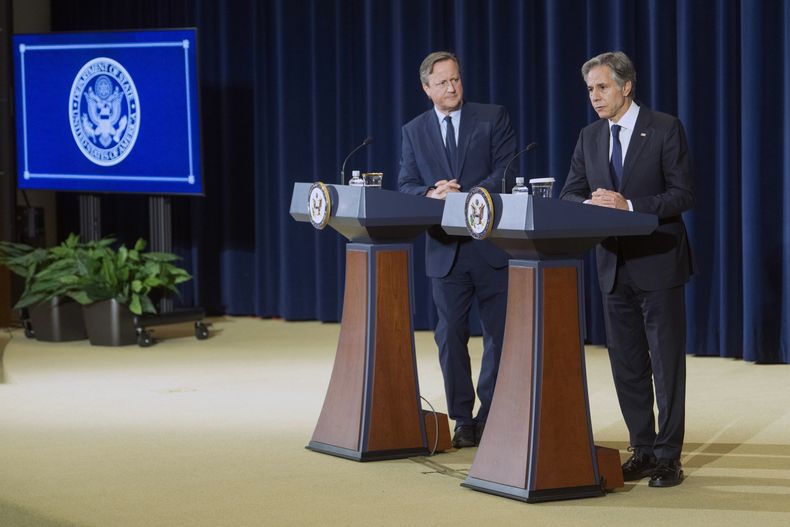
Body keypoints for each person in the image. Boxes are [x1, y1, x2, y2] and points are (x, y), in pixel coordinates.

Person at [560, 51, 694, 487]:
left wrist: (630, 206)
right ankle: (644, 447)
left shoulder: (664, 127)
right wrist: (589, 205)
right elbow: (569, 195)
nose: (594, 97)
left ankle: (669, 457)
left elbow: (681, 195)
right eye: (589, 90)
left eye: (601, 87)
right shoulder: (589, 137)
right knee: (628, 364)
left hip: (658, 263)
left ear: (626, 86)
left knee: (666, 365)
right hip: (612, 268)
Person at [398, 51, 515, 448]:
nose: (452, 88)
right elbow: (406, 184)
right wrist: (431, 193)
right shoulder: (414, 130)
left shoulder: (492, 116)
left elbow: (506, 170)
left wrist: (469, 196)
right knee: (449, 337)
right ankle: (463, 418)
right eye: (443, 82)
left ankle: (492, 411)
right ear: (426, 89)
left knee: (499, 336)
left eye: (456, 79)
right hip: (445, 250)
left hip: (490, 246)